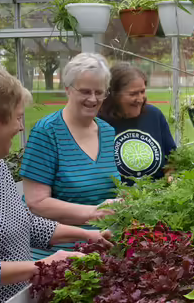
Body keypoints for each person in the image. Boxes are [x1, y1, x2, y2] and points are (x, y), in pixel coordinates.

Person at [0, 64, 112, 302]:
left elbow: (25, 224)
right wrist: (41, 265)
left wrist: (86, 235)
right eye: (18, 117)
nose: (21, 126)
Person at [20, 53, 121, 260]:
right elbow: (36, 202)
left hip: (103, 248)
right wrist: (95, 212)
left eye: (99, 92)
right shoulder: (47, 132)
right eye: (85, 91)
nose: (93, 99)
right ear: (67, 89)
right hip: (56, 254)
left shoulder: (108, 131)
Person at [98, 63, 176, 183]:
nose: (140, 99)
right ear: (113, 95)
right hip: (117, 199)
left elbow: (172, 158)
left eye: (142, 92)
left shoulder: (154, 115)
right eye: (133, 94)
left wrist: (170, 176)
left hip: (158, 196)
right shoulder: (99, 122)